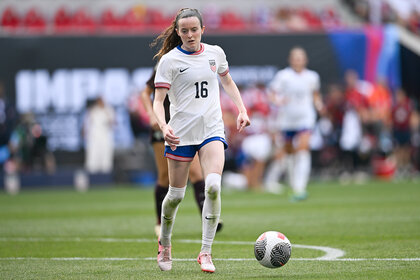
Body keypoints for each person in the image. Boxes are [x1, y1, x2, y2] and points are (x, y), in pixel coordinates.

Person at [151, 8, 250, 273]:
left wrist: (242, 109)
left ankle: (205, 252)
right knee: (175, 196)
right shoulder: (169, 61)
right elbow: (158, 102)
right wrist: (163, 126)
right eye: (184, 31)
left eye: (194, 29)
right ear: (178, 32)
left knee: (214, 186)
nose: (190, 34)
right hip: (181, 133)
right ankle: (166, 244)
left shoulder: (215, 53)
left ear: (202, 29)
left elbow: (227, 82)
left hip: (211, 131)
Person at [140, 69, 223, 237]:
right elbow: (146, 93)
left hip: (184, 126)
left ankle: (207, 217)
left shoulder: (195, 62)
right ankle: (159, 221)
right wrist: (152, 116)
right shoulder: (165, 64)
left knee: (196, 172)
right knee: (164, 176)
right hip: (163, 126)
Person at [268, 46, 323, 202]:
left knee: (303, 148)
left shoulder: (312, 77)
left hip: (306, 118)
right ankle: (293, 184)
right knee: (289, 152)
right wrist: (278, 101)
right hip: (287, 120)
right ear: (290, 60)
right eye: (295, 57)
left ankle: (300, 188)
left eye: (300, 57)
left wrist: (319, 106)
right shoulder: (283, 76)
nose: (298, 60)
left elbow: (315, 95)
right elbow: (272, 93)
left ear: (305, 60)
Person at [84, 97, 115, 173]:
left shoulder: (109, 110)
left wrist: (105, 112)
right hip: (94, 138)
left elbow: (112, 123)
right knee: (93, 158)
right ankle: (92, 176)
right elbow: (87, 124)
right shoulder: (92, 110)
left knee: (106, 159)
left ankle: (106, 176)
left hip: (105, 138)